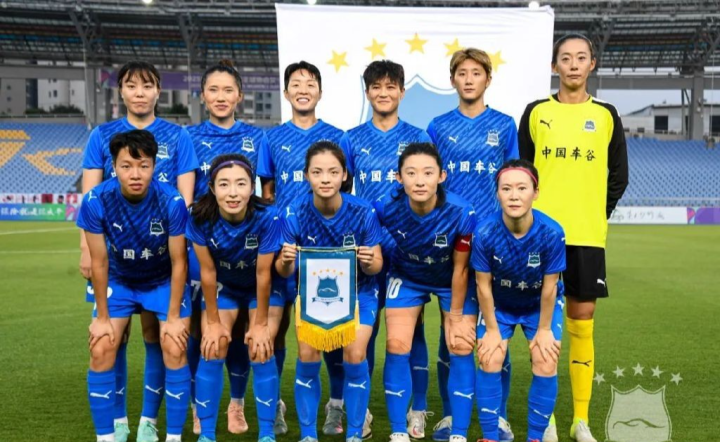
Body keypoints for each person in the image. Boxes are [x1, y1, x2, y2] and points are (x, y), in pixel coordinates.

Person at [79, 60, 198, 442]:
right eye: (132, 85)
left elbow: (184, 203)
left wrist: (177, 314)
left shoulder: (177, 139)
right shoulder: (102, 137)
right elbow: (91, 196)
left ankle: (152, 423)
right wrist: (85, 249)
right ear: (121, 91)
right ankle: (113, 427)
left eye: (147, 85)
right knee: (107, 340)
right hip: (117, 265)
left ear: (159, 90)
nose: (140, 93)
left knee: (163, 338)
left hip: (162, 262)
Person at [518, 33, 629, 442]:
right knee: (541, 326)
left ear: (592, 64)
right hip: (540, 237)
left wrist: (595, 213)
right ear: (555, 66)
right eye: (565, 58)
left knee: (582, 323)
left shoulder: (606, 115)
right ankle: (544, 419)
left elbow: (619, 176)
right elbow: (522, 174)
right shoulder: (535, 113)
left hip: (586, 236)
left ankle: (580, 420)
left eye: (581, 57)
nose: (574, 65)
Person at [427, 48, 519, 441]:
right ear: (452, 80)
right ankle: (451, 415)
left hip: (494, 243)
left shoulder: (505, 125)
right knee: (453, 329)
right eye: (461, 73)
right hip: (450, 243)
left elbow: (514, 180)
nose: (468, 79)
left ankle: (498, 416)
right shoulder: (437, 126)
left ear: (487, 79)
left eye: (476, 73)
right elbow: (429, 179)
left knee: (496, 331)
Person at [340, 59, 432, 439]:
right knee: (364, 330)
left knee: (412, 333)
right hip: (365, 250)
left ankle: (418, 409)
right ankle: (359, 412)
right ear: (367, 93)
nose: (383, 93)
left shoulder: (418, 137)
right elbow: (343, 194)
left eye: (391, 86)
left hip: (406, 249)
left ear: (402, 92)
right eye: (376, 86)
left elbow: (429, 193)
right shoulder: (350, 138)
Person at [257, 61, 345, 435]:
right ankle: (275, 404)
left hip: (326, 256)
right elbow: (268, 193)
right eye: (296, 84)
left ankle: (336, 406)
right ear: (286, 92)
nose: (303, 89)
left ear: (320, 92)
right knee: (275, 332)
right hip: (285, 250)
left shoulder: (338, 137)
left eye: (310, 83)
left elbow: (343, 193)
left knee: (333, 335)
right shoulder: (272, 138)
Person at [276, 141, 383, 442]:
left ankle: (354, 434)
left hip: (360, 293)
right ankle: (308, 435)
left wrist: (370, 261)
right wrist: (286, 261)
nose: (325, 179)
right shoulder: (293, 212)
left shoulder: (363, 211)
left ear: (344, 175)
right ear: (306, 175)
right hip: (313, 296)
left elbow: (376, 266)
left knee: (355, 354)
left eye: (333, 172)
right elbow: (283, 271)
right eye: (317, 172)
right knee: (307, 354)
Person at [186, 59, 269, 436]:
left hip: (246, 246)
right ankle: (198, 406)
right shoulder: (187, 137)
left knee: (245, 332)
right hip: (203, 244)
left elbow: (265, 193)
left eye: (228, 90)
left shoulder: (257, 137)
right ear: (203, 95)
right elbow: (185, 194)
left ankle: (237, 404)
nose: (221, 97)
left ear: (240, 96)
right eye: (213, 90)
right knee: (203, 329)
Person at [374, 143, 477, 442]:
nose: (419, 181)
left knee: (460, 345)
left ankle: (458, 432)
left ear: (442, 176)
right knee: (396, 344)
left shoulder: (461, 212)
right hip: (407, 277)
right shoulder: (384, 207)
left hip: (449, 278)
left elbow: (461, 269)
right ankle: (398, 429)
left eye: (428, 173)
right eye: (411, 173)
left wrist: (455, 316)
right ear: (398, 177)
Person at [187, 154, 282, 442]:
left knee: (260, 347)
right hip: (224, 288)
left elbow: (263, 274)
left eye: (241, 184)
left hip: (261, 289)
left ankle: (266, 434)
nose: (233, 192)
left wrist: (260, 324)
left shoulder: (267, 217)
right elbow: (207, 272)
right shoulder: (199, 218)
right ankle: (207, 434)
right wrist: (213, 322)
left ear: (252, 187)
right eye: (224, 184)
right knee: (212, 346)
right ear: (212, 188)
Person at [472, 159, 565, 442]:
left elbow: (550, 287)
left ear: (535, 192)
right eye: (506, 188)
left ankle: (535, 437)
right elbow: (482, 286)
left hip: (539, 306)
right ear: (497, 193)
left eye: (522, 188)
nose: (514, 195)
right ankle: (490, 436)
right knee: (490, 357)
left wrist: (545, 329)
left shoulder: (552, 232)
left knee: (545, 359)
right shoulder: (484, 232)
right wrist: (491, 330)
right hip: (499, 306)